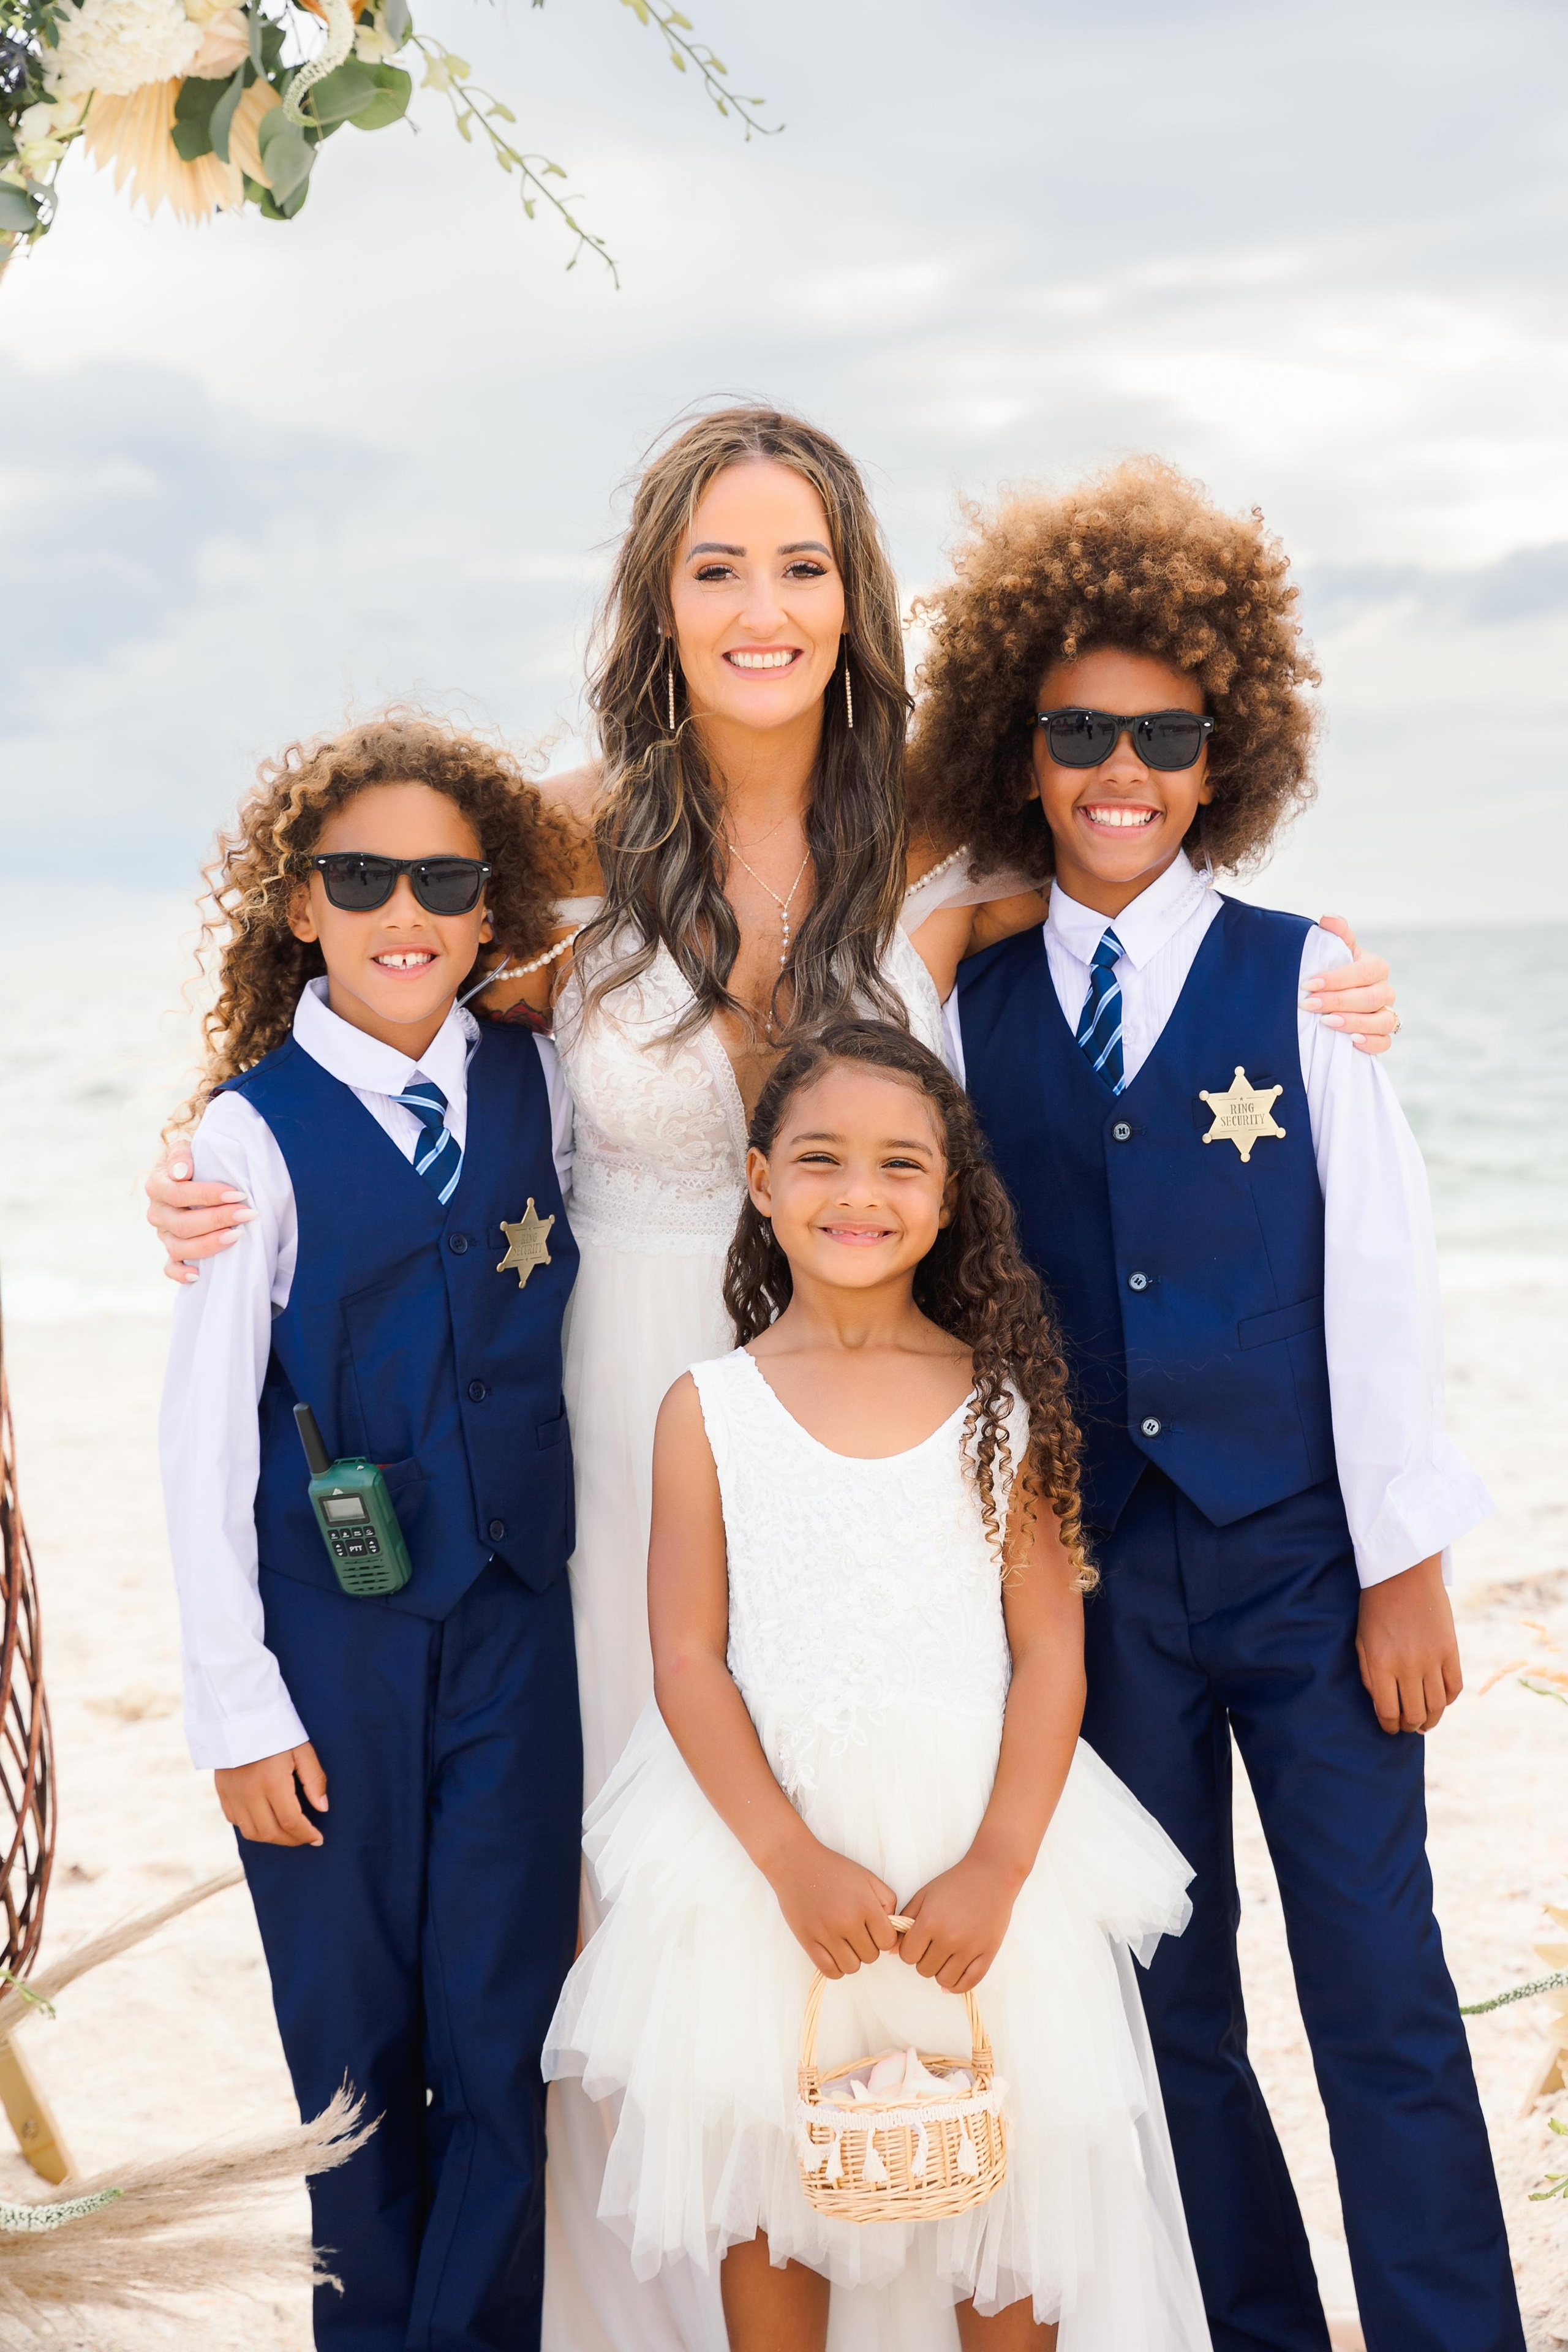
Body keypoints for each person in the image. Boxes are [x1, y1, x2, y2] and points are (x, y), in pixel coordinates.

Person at [143, 409, 1400, 2352]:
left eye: (801, 565)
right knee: (634, 1884)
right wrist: (205, 1163)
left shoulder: (944, 831)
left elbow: (1137, 907)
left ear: (854, 593)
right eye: (716, 566)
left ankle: (913, 2246)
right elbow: (378, 1005)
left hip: (885, 1412)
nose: (762, 606)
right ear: (658, 597)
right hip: (615, 1401)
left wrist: (1328, 979)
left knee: (888, 1811)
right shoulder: (557, 838)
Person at [922, 461, 1523, 2352]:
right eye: (1079, 733)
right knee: (1166, 2006)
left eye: (1164, 737)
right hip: (1097, 1593)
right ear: (1021, 750)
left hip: (1306, 1571)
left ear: (1222, 755)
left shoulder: (1305, 979)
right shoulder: (968, 1005)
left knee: (1381, 1993)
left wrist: (1406, 1563)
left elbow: (1382, 1282)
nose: (1123, 770)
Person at [546, 1020, 1211, 2351]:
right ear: (758, 1180)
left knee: (1007, 2183)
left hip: (976, 1851)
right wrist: (790, 1862)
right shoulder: (707, 1408)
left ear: (949, 1197)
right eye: (820, 1159)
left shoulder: (1000, 1405)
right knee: (768, 2182)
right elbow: (686, 1659)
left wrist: (1000, 1866)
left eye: (901, 1163)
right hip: (764, 1862)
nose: (859, 1193)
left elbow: (1051, 1654)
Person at [159, 718, 584, 2352]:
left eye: (445, 881)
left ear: (491, 911)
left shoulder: (542, 1079)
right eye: (360, 878)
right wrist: (236, 1708)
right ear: (299, 908)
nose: (404, 910)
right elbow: (201, 1445)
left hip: (514, 1631)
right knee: (351, 2059)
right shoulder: (245, 1138)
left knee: (501, 2040)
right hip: (327, 1658)